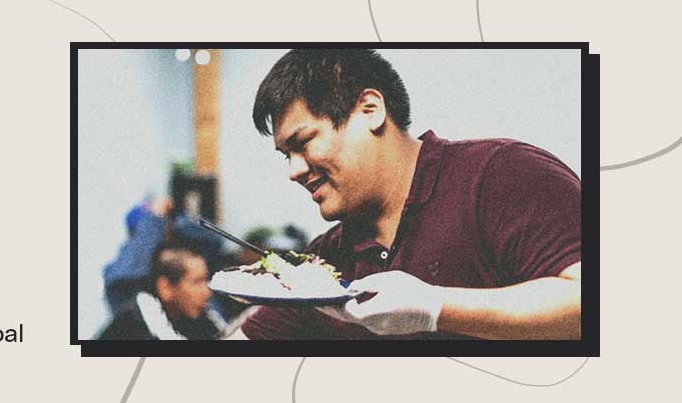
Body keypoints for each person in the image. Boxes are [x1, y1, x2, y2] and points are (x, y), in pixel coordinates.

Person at [235, 49, 582, 340]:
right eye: (286, 155)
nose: (293, 171)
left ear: (370, 110)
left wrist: (435, 306)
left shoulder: (501, 173)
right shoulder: (328, 260)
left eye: (304, 143)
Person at [97, 238, 241, 340]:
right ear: (165, 288)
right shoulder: (137, 322)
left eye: (206, 280)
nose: (207, 291)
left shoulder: (196, 315)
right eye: (197, 282)